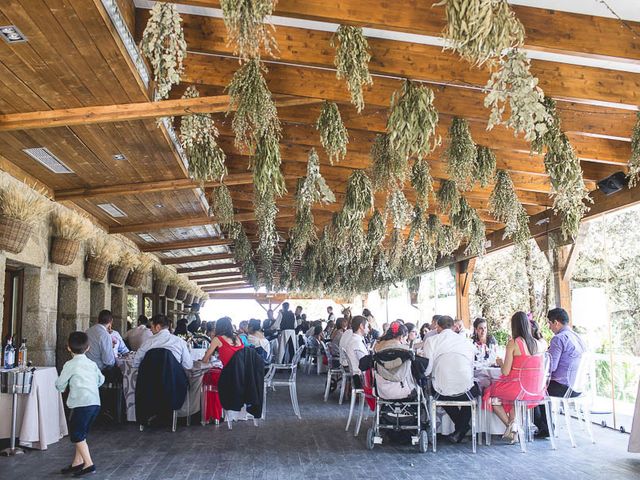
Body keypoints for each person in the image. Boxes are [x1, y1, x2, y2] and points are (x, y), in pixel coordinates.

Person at [482, 312, 547, 443]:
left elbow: (505, 372)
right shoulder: (540, 343)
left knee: (490, 395)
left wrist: (500, 363)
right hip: (536, 390)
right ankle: (514, 430)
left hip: (518, 388)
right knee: (513, 401)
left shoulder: (513, 343)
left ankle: (513, 428)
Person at [55, 331, 104, 477]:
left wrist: (61, 387)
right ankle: (78, 462)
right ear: (88, 347)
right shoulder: (92, 364)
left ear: (68, 348)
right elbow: (101, 380)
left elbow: (60, 383)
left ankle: (89, 464)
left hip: (81, 404)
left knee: (76, 435)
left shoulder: (70, 365)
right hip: (95, 403)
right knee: (82, 434)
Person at [423, 315, 478, 443]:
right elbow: (471, 365)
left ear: (438, 327)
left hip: (441, 390)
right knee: (475, 391)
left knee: (439, 390)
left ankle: (461, 428)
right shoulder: (465, 341)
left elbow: (428, 369)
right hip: (464, 391)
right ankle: (462, 427)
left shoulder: (432, 341)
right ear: (453, 327)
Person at [534, 308, 586, 438]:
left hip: (563, 387)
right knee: (541, 388)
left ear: (556, 322)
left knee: (535, 390)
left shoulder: (558, 339)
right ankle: (546, 427)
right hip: (578, 387)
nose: (549, 327)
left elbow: (550, 367)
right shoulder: (578, 337)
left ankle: (545, 428)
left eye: (549, 323)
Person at [85, 310, 120, 383]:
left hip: (87, 366)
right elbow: (108, 361)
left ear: (98, 319)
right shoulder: (105, 335)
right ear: (111, 321)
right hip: (99, 369)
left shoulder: (88, 331)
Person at [343, 316, 369, 380]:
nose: (369, 329)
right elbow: (365, 364)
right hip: (361, 378)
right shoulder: (357, 343)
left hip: (356, 375)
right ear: (361, 326)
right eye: (367, 326)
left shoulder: (353, 340)